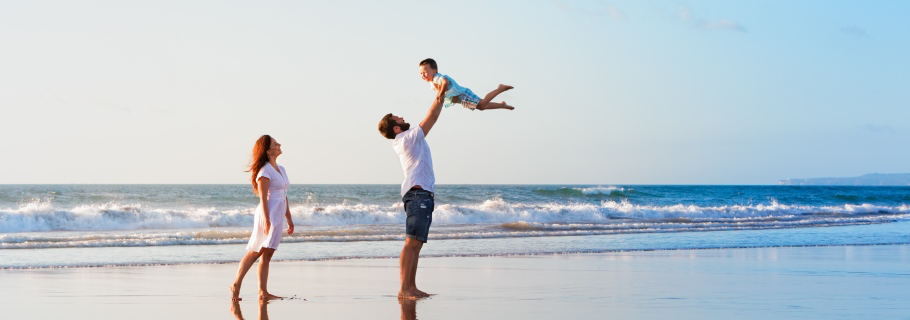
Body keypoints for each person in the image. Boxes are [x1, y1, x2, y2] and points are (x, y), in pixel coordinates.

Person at [377, 97, 444, 299]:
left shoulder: (408, 139)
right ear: (396, 129)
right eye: (398, 119)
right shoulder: (407, 138)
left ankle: (411, 287)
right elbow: (432, 116)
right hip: (417, 194)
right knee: (411, 243)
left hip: (422, 193)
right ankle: (405, 289)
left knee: (417, 243)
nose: (403, 118)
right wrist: (440, 94)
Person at [230, 135, 295, 301]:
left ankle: (262, 292)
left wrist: (289, 218)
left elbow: (284, 195)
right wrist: (266, 220)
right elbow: (262, 197)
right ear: (268, 151)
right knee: (257, 250)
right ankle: (236, 284)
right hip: (268, 212)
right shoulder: (264, 171)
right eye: (275, 143)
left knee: (268, 253)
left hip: (278, 212)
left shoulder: (281, 169)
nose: (279, 144)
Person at [419, 58, 515, 111]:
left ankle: (500, 88)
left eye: (425, 72)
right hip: (461, 99)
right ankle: (502, 105)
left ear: (434, 71)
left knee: (482, 103)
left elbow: (445, 82)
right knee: (481, 107)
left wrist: (441, 94)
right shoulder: (432, 83)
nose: (423, 75)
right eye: (421, 73)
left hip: (463, 94)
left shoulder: (437, 77)